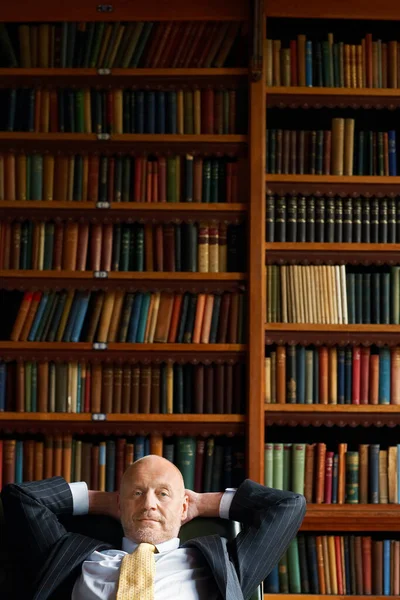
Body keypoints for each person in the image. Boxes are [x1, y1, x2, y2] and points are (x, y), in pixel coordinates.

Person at [2, 454, 306, 600]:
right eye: (137, 493)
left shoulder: (223, 564)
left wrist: (202, 503)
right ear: (119, 504)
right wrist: (100, 501)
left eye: (163, 494)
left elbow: (287, 506)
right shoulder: (71, 556)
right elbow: (21, 497)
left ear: (183, 506)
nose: (149, 504)